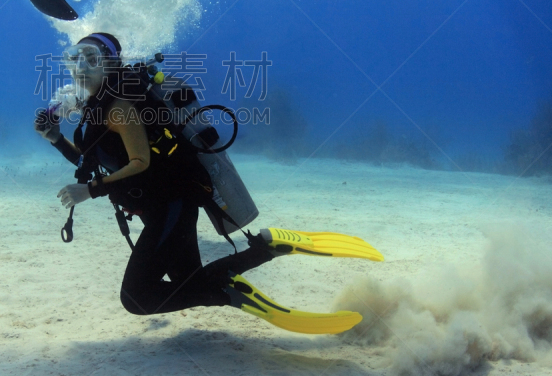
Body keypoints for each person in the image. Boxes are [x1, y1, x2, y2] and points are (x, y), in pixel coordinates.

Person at [35, 33, 380, 334]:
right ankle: (266, 248)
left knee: (137, 297)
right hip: (158, 209)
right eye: (74, 59)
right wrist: (56, 139)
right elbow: (92, 160)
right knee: (190, 281)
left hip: (172, 204)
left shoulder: (119, 107)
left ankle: (227, 293)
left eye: (91, 59)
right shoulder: (95, 108)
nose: (80, 66)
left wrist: (91, 191)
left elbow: (141, 162)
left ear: (110, 64)